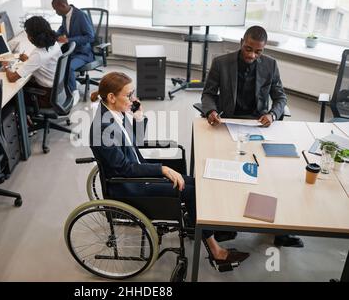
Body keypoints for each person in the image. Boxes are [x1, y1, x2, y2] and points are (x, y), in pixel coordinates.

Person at [89, 71, 250, 265]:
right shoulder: (102, 128)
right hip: (129, 187)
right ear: (112, 97)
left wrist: (138, 117)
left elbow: (134, 143)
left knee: (193, 183)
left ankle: (202, 226)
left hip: (138, 173)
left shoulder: (114, 112)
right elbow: (123, 168)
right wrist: (161, 169)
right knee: (188, 190)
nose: (133, 99)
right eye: (128, 95)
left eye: (133, 94)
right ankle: (215, 249)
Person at [201, 25, 304, 248]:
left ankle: (279, 229)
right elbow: (208, 94)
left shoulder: (270, 65)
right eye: (248, 49)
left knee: (272, 174)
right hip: (228, 121)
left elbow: (280, 97)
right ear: (241, 42)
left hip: (259, 124)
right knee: (227, 171)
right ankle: (226, 225)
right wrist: (210, 111)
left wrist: (273, 114)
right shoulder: (221, 62)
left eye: (258, 52)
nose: (252, 55)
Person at [3, 16, 62, 109]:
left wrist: (6, 66)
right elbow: (43, 62)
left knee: (10, 97)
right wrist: (28, 60)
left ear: (31, 37)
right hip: (56, 90)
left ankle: (25, 120)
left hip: (46, 96)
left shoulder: (38, 54)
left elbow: (12, 78)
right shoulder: (54, 44)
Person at [52, 0, 95, 106]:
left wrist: (68, 39)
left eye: (56, 9)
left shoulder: (81, 16)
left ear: (63, 5)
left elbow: (90, 37)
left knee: (69, 67)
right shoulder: (65, 15)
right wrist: (53, 35)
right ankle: (70, 84)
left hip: (83, 53)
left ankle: (74, 93)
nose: (56, 12)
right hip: (72, 51)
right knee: (57, 62)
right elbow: (63, 28)